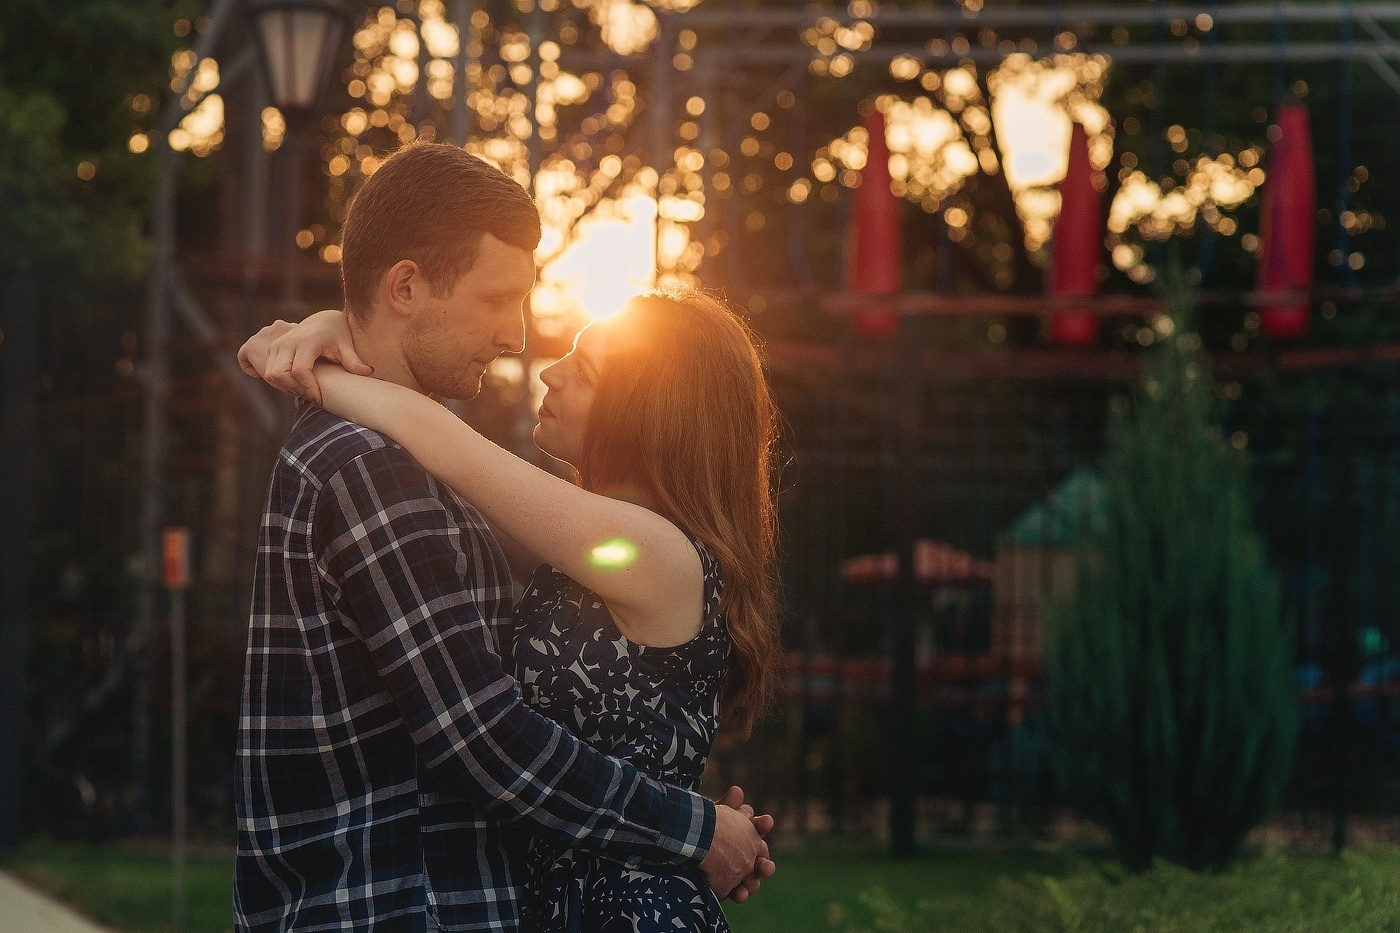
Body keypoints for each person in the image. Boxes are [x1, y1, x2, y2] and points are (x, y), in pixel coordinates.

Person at [233, 141, 773, 933]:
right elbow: (482, 735)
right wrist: (696, 828)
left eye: (586, 368)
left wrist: (322, 353)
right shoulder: (375, 467)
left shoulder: (629, 543)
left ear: (647, 410)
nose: (524, 346)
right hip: (401, 904)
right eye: (498, 299)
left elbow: (446, 443)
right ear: (406, 286)